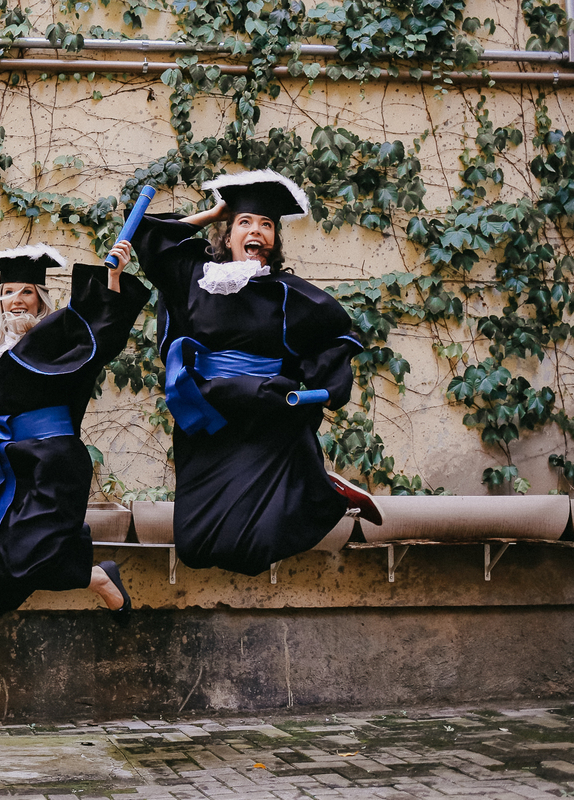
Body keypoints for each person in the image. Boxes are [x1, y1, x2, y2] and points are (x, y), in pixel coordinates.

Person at [124, 168, 382, 577]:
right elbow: (148, 235)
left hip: (264, 416)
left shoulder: (286, 293)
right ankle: (321, 485)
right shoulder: (195, 276)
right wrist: (213, 214)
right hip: (206, 417)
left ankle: (321, 490)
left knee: (255, 551)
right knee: (192, 545)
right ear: (227, 237)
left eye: (266, 224)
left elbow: (337, 334)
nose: (256, 231)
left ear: (275, 239)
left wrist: (328, 388)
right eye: (245, 222)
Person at [0, 243, 149, 626]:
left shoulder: (59, 336)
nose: (17, 301)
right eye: (9, 292)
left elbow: (102, 331)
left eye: (27, 291)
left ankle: (97, 577)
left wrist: (112, 278)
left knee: (24, 553)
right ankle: (89, 565)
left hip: (54, 464)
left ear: (40, 296)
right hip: (19, 466)